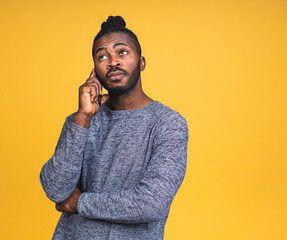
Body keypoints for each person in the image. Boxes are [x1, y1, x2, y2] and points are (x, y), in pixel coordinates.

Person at [40, 15, 189, 240]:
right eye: (102, 56)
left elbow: (151, 203)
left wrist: (79, 202)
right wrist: (82, 118)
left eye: (122, 52)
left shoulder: (168, 123)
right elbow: (55, 190)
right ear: (95, 71)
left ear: (141, 62)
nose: (112, 61)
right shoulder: (81, 120)